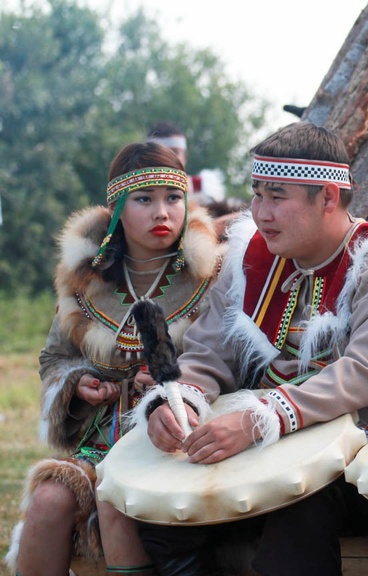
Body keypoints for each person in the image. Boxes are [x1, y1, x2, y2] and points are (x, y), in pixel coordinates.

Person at [133, 121, 368, 576]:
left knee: (298, 505)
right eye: (257, 194)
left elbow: (362, 372)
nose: (260, 213)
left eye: (277, 196)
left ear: (327, 197)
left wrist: (257, 419)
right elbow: (207, 353)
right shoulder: (251, 258)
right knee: (163, 517)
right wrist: (180, 402)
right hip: (269, 447)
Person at [5, 142, 224, 576]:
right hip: (99, 443)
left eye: (173, 198)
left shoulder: (215, 275)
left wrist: (170, 390)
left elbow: (228, 361)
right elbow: (53, 359)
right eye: (144, 200)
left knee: (115, 496)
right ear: (117, 207)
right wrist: (78, 382)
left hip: (180, 440)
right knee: (49, 499)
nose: (162, 213)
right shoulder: (85, 279)